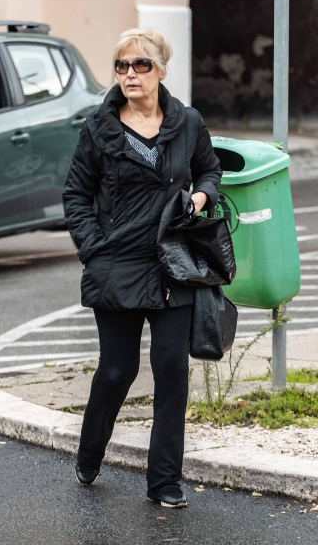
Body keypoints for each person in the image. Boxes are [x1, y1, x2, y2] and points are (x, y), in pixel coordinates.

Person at [62, 28, 222, 509]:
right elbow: (75, 195)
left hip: (174, 263)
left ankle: (165, 483)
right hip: (119, 265)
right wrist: (94, 247)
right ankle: (90, 454)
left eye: (141, 65)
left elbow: (211, 170)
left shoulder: (187, 123)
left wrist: (200, 195)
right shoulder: (99, 129)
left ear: (161, 71)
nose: (130, 73)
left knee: (172, 370)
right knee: (117, 370)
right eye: (122, 66)